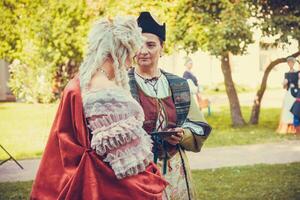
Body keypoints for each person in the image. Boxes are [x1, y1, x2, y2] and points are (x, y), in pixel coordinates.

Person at [30, 16, 167, 200]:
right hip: (107, 187)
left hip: (77, 178)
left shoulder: (79, 82)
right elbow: (129, 166)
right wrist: (153, 178)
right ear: (121, 51)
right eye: (131, 53)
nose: (132, 60)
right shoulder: (107, 92)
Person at [128, 12, 212, 200]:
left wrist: (183, 135)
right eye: (138, 44)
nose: (143, 51)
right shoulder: (122, 83)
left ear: (162, 48)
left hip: (175, 169)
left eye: (150, 45)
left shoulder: (178, 84)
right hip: (138, 169)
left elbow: (199, 124)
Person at [277, 56, 298, 134]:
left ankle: (295, 126)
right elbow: (285, 87)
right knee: (287, 108)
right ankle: (287, 126)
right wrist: (284, 84)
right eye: (289, 63)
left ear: (294, 63)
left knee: (294, 108)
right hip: (289, 92)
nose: (290, 64)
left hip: (295, 92)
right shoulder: (286, 74)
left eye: (292, 62)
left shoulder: (297, 73)